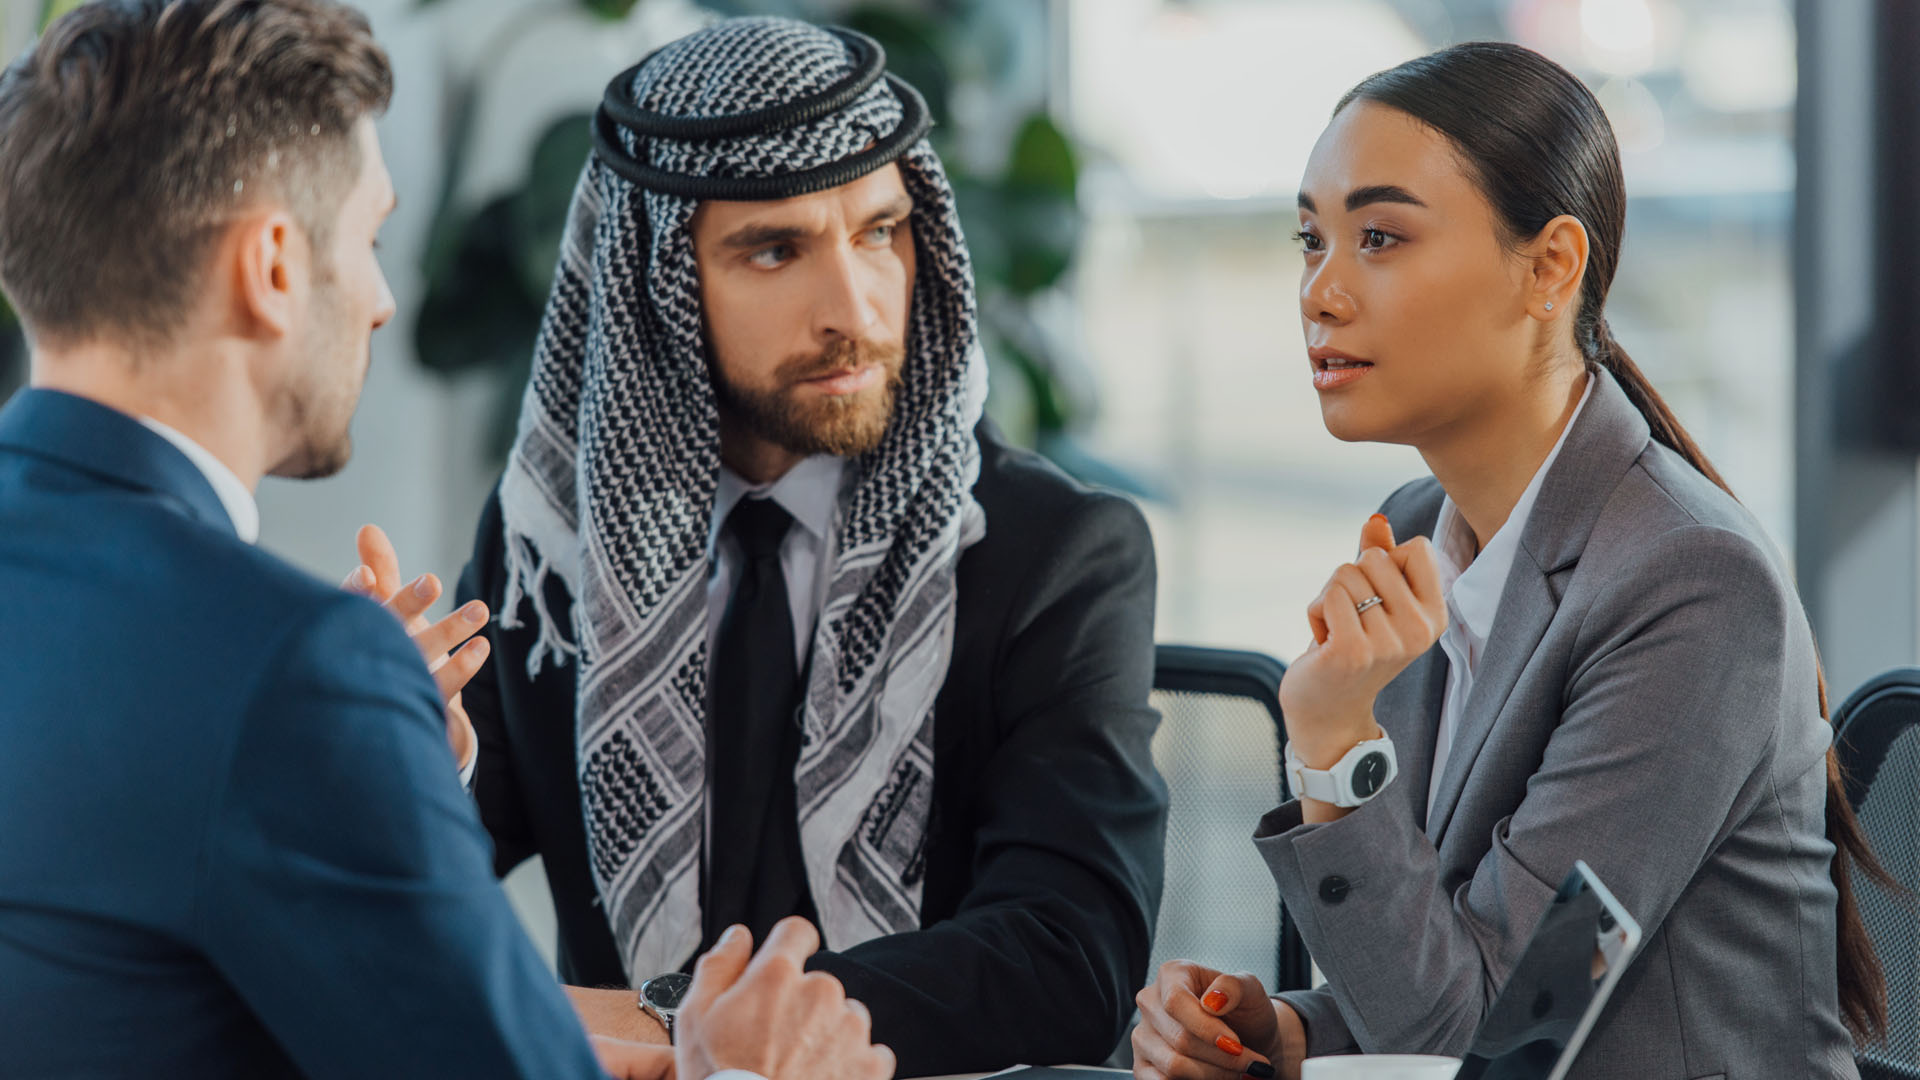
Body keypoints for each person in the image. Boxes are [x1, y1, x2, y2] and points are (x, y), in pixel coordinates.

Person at [0, 4, 890, 1078]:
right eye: (366, 240)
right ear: (274, 266)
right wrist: (742, 1068)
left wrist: (383, 751)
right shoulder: (291, 671)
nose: (378, 301)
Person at [358, 15, 1167, 1077]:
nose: (856, 308)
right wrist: (395, 746)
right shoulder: (553, 550)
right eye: (776, 249)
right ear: (658, 286)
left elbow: (1071, 957)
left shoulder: (1054, 552)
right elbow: (413, 889)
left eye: (881, 232)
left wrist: (688, 1027)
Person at [1130, 42, 1887, 1080]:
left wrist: (1333, 745)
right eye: (1311, 240)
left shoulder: (1694, 586)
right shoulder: (1418, 529)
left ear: (1550, 268)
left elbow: (1503, 1029)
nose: (1321, 290)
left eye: (1381, 237)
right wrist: (1294, 1031)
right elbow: (1454, 965)